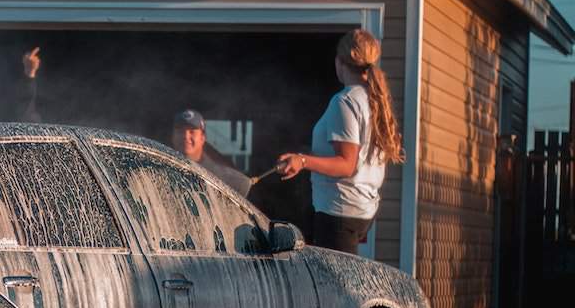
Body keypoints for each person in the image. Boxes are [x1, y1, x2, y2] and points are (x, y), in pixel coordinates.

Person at [277, 29, 403, 255]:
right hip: (360, 211)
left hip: (339, 214)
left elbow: (347, 164)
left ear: (340, 61)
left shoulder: (345, 101)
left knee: (336, 287)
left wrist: (303, 161)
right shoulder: (372, 100)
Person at [171, 109, 252, 197]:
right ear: (173, 136)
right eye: (180, 131)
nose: (186, 137)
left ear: (203, 138)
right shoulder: (160, 169)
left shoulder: (228, 179)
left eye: (192, 132)